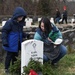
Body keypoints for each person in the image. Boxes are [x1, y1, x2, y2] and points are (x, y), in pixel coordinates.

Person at [1, 7, 27, 73]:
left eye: (22, 17)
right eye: (20, 17)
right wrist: (4, 41)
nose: (21, 18)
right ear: (16, 16)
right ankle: (6, 68)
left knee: (15, 57)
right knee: (9, 57)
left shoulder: (20, 24)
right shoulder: (10, 23)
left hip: (17, 44)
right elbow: (4, 31)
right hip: (11, 43)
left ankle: (14, 68)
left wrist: (25, 35)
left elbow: (20, 32)